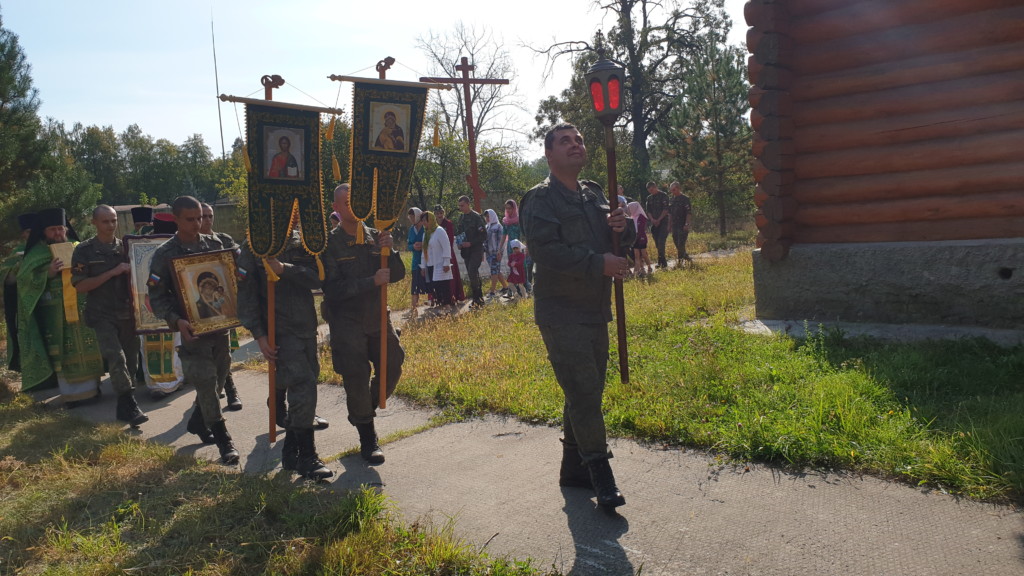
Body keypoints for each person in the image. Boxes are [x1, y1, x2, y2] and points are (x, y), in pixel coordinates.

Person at [520, 122, 634, 509]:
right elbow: (545, 251)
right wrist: (597, 263)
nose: (575, 145)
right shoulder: (540, 199)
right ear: (549, 154)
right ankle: (602, 476)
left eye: (580, 140)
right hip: (560, 310)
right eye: (565, 141)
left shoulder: (594, 195)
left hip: (594, 308)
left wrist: (624, 228)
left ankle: (573, 469)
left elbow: (616, 241)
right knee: (584, 391)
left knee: (585, 390)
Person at [237, 212, 332, 480]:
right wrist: (259, 335)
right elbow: (245, 294)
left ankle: (290, 451)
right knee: (304, 387)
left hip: (305, 326)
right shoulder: (254, 244)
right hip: (279, 331)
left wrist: (285, 270)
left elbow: (320, 278)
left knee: (308, 381)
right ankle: (307, 457)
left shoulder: (306, 242)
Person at [148, 196, 239, 464]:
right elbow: (156, 297)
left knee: (220, 377)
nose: (198, 223)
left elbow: (237, 269)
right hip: (192, 331)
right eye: (191, 219)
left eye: (200, 217)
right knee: (205, 380)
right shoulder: (165, 254)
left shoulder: (217, 244)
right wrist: (176, 321)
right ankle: (224, 440)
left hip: (220, 326)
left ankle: (199, 421)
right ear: (175, 219)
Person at [322, 183, 406, 464]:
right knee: (356, 376)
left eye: (355, 201)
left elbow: (396, 275)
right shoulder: (329, 243)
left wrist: (390, 250)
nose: (351, 207)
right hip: (346, 322)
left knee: (393, 362)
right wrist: (371, 281)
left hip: (377, 316)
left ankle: (363, 410)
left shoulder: (375, 235)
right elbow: (332, 289)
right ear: (336, 208)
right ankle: (368, 437)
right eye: (345, 203)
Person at [71, 205, 149, 426]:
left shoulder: (127, 247)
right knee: (116, 358)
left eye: (113, 221)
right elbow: (80, 285)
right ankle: (129, 402)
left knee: (132, 361)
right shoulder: (84, 251)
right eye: (105, 221)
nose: (111, 225)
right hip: (101, 314)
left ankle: (125, 406)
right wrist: (112, 272)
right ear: (94, 223)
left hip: (128, 313)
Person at [17, 208, 105, 404]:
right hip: (55, 314)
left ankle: (92, 390)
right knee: (64, 350)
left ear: (66, 229)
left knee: (88, 346)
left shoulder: (78, 247)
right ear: (44, 232)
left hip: (83, 308)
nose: (58, 233)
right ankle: (72, 395)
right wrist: (47, 273)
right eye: (52, 230)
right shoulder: (37, 253)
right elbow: (24, 281)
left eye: (60, 228)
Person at [1, 213, 35, 372]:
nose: (32, 235)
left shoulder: (43, 249)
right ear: (23, 234)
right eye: (29, 232)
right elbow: (6, 280)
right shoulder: (17, 252)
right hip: (20, 302)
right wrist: (18, 269)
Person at [455, 195, 486, 308]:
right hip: (466, 251)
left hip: (476, 249)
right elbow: (459, 233)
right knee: (472, 273)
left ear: (468, 204)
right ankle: (479, 296)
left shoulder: (477, 217)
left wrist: (471, 243)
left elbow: (483, 235)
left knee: (473, 271)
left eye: (462, 205)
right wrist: (459, 243)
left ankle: (476, 298)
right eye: (459, 206)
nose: (461, 208)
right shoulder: (461, 218)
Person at [420, 211, 454, 314]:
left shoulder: (439, 231)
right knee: (435, 286)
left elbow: (446, 246)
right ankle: (440, 305)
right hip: (431, 264)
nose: (424, 223)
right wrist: (423, 266)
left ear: (430, 220)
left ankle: (447, 306)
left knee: (444, 285)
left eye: (425, 220)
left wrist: (446, 262)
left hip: (440, 263)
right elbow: (424, 250)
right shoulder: (426, 233)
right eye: (422, 221)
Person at [434, 204, 465, 303]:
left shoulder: (448, 224)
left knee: (450, 275)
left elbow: (450, 240)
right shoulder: (433, 225)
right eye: (437, 213)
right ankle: (439, 297)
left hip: (447, 252)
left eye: (441, 213)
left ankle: (452, 295)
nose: (439, 215)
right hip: (436, 254)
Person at [483, 208, 510, 299]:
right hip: (488, 253)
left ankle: (492, 291)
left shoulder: (498, 227)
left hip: (496, 253)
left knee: (493, 272)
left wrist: (500, 252)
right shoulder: (487, 226)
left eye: (488, 216)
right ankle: (506, 287)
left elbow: (501, 241)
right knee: (496, 270)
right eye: (486, 217)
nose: (487, 218)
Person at [405, 207, 427, 318]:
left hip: (427, 260)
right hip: (415, 261)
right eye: (410, 217)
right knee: (415, 285)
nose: (412, 219)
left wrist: (423, 246)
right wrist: (413, 246)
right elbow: (408, 245)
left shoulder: (425, 227)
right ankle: (414, 307)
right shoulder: (411, 230)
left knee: (429, 282)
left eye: (414, 216)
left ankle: (435, 302)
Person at [645, 181, 670, 269]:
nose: (651, 191)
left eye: (652, 189)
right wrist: (652, 220)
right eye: (649, 190)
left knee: (661, 242)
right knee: (657, 243)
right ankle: (660, 262)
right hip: (654, 223)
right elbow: (648, 211)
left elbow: (666, 209)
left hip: (663, 222)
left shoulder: (664, 196)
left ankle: (663, 263)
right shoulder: (649, 198)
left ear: (655, 187)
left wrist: (659, 219)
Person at [669, 181, 694, 267]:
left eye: (674, 190)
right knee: (677, 243)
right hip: (675, 225)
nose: (673, 192)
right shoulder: (672, 200)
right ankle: (686, 257)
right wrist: (670, 225)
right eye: (671, 190)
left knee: (681, 244)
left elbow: (688, 213)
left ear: (679, 189)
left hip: (683, 225)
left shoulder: (685, 199)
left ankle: (680, 263)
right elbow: (670, 214)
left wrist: (687, 224)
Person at [626, 201, 653, 278]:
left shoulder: (642, 217)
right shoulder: (632, 217)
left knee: (644, 254)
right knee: (636, 255)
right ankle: (639, 270)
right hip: (635, 239)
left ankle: (649, 266)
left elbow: (640, 229)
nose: (629, 210)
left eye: (630, 208)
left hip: (641, 238)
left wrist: (636, 237)